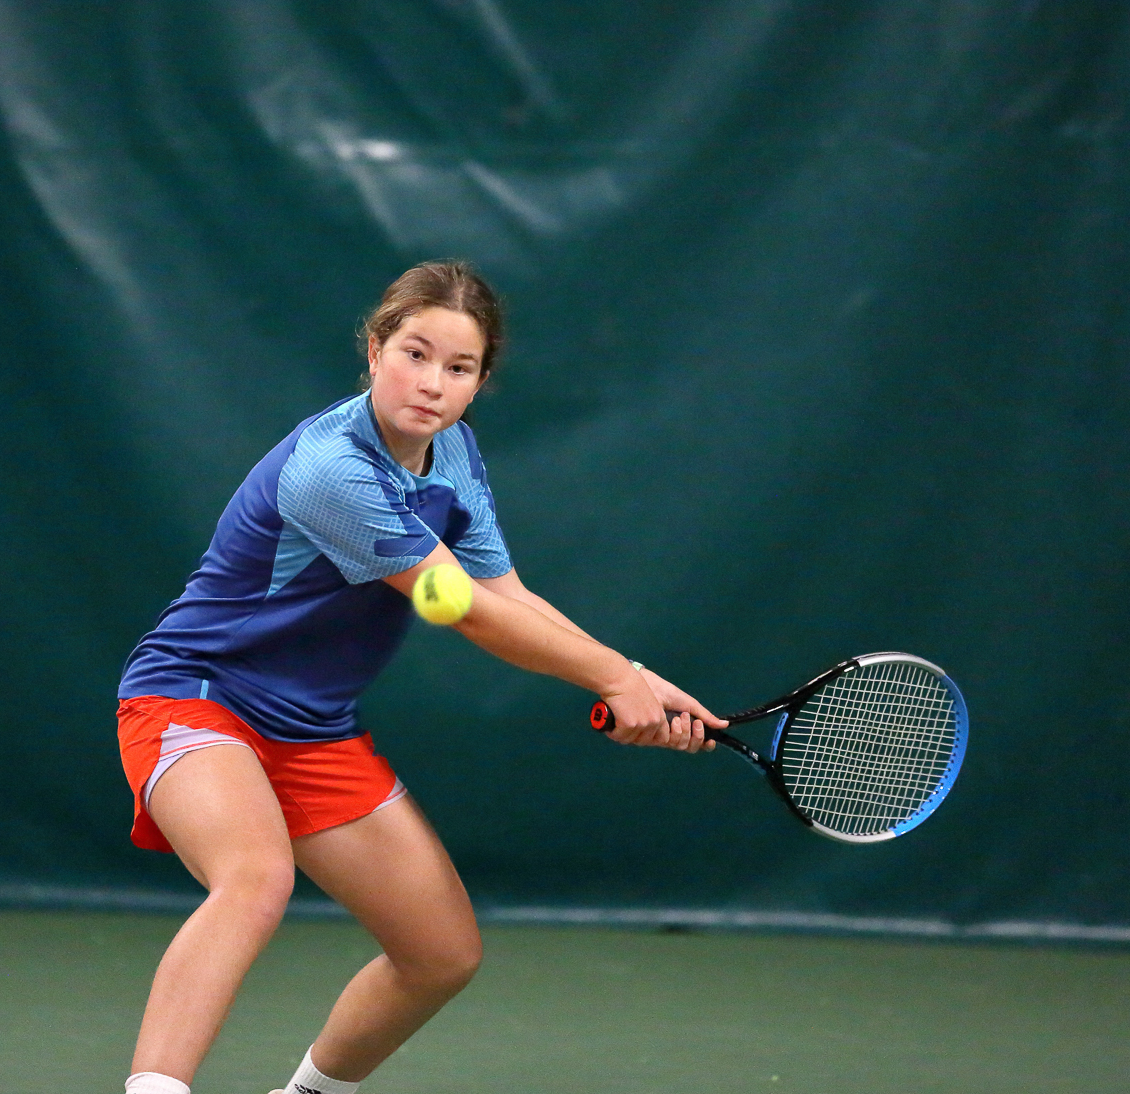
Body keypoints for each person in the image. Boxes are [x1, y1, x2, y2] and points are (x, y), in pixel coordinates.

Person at [113, 260, 727, 1094]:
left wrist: (634, 679)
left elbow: (507, 596)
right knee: (254, 879)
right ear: (374, 350)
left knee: (440, 953)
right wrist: (612, 676)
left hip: (311, 728)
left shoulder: (453, 454)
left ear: (479, 382)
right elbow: (460, 608)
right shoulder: (331, 468)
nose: (433, 384)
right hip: (198, 696)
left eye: (460, 367)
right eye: (415, 354)